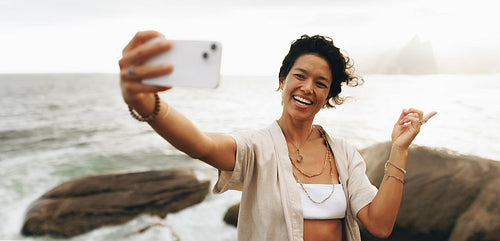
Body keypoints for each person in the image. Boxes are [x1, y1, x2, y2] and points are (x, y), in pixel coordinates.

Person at [118, 30, 437, 241]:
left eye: (321, 83)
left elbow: (379, 225)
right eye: (300, 76)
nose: (308, 88)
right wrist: (146, 103)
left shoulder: (344, 154)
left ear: (328, 96)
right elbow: (200, 144)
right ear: (283, 80)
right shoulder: (256, 148)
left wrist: (399, 149)